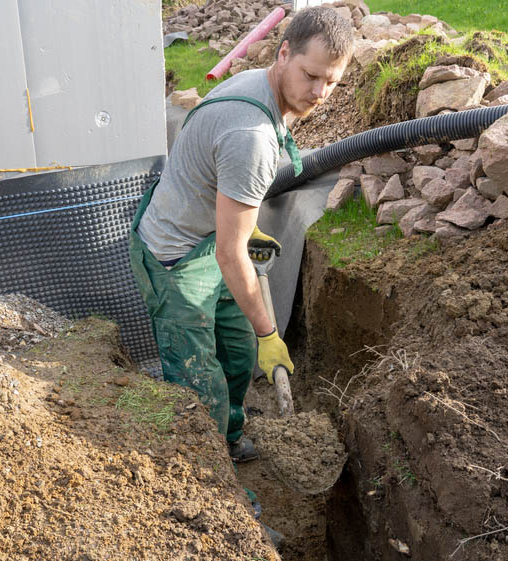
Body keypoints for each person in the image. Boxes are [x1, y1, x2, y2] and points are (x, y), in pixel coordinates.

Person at [129, 6, 353, 463]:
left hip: (211, 236)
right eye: (311, 75)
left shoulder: (268, 88)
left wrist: (246, 230)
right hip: (175, 256)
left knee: (235, 351)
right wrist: (271, 334)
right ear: (284, 53)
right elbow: (233, 256)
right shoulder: (250, 136)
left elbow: (228, 224)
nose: (319, 92)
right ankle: (209, 479)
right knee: (199, 388)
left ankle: (227, 441)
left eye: (331, 81)